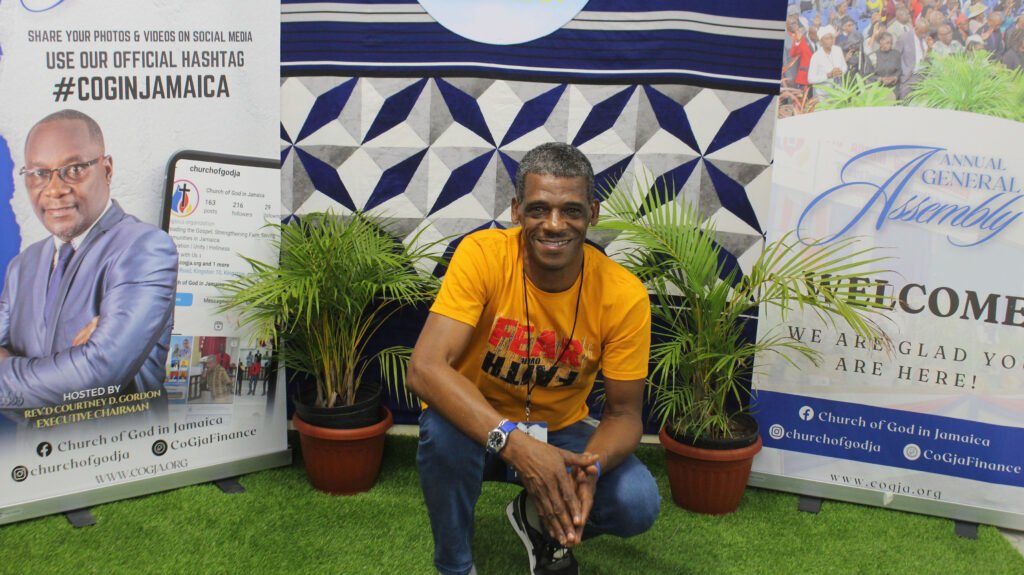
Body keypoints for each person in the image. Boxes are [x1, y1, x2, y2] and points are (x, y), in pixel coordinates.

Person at [407, 142, 659, 575]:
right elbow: (425, 368)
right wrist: (515, 443)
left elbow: (623, 414)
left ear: (593, 214)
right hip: (479, 427)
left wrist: (590, 469)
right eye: (539, 209)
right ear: (516, 210)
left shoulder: (623, 294)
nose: (554, 224)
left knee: (637, 501)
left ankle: (536, 517)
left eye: (572, 211)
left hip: (561, 434)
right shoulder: (482, 255)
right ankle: (455, 565)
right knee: (442, 430)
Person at [0, 109, 177, 416]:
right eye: (39, 174)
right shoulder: (22, 267)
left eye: (75, 169)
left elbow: (96, 374)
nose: (54, 189)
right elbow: (79, 373)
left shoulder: (145, 248)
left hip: (119, 453)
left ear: (107, 169)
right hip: (35, 457)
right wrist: (71, 363)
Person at [808, 25, 848, 99]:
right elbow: (811, 79)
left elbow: (844, 67)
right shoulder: (816, 56)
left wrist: (840, 71)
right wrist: (828, 75)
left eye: (831, 38)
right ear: (820, 41)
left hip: (838, 91)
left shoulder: (838, 50)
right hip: (822, 94)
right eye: (827, 38)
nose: (830, 40)